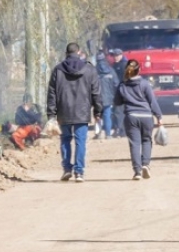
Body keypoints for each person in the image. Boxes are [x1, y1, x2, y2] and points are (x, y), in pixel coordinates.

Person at [47, 42, 102, 183]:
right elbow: (96, 92)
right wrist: (98, 111)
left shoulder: (58, 70)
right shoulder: (89, 69)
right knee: (80, 141)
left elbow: (52, 94)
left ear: (66, 53)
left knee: (65, 139)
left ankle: (66, 169)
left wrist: (51, 115)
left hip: (63, 111)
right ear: (79, 52)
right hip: (82, 111)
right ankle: (79, 172)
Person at [113, 59, 163, 181]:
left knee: (134, 143)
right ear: (139, 70)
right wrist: (159, 116)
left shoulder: (122, 85)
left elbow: (117, 102)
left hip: (131, 117)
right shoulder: (145, 84)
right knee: (146, 140)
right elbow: (152, 101)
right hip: (146, 116)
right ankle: (145, 164)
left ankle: (137, 172)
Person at [94, 47, 119, 139]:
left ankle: (98, 133)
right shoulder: (110, 70)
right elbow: (116, 83)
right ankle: (108, 134)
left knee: (97, 115)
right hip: (108, 97)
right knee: (107, 115)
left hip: (97, 97)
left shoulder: (93, 71)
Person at [109, 48, 128, 137]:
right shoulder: (115, 65)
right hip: (117, 91)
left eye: (117, 56)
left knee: (119, 112)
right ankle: (120, 129)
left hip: (122, 91)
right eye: (114, 56)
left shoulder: (124, 65)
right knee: (118, 112)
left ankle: (121, 130)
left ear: (121, 55)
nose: (115, 57)